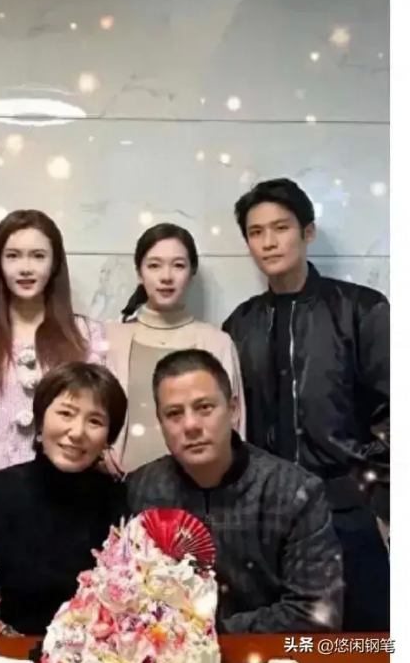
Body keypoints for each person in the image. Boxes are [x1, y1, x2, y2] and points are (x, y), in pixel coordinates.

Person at [223, 177, 390, 631]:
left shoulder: (361, 309)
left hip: (349, 512)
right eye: (256, 232)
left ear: (307, 232)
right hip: (268, 518)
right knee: (283, 646)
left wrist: (377, 498)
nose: (269, 242)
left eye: (281, 228)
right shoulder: (239, 325)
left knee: (364, 644)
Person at [127, 349, 343, 633]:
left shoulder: (294, 492)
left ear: (233, 409)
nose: (191, 425)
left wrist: (207, 633)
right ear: (161, 423)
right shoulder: (140, 489)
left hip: (265, 653)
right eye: (174, 414)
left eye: (204, 407)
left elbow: (316, 613)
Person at [0, 209, 108, 497]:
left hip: (65, 497)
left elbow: (99, 416)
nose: (25, 268)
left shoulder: (86, 335)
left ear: (55, 264)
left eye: (38, 256)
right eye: (13, 256)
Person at [0, 362, 128, 636]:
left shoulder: (122, 502)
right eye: (66, 413)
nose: (77, 432)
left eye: (95, 421)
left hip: (101, 653)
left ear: (109, 437)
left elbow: (129, 612)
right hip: (9, 654)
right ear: (41, 419)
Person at [106, 223, 245, 472]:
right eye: (154, 265)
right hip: (120, 482)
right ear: (139, 273)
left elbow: (235, 427)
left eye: (178, 265)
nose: (166, 276)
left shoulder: (217, 342)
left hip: (199, 484)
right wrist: (101, 453)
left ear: (192, 273)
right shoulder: (110, 338)